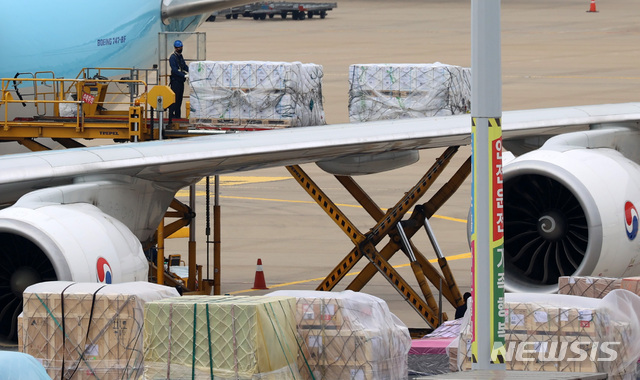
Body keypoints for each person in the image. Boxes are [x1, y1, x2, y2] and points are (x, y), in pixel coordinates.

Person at [169, 40, 189, 123]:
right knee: (175, 99)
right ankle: (171, 116)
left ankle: (178, 115)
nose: (179, 49)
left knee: (180, 99)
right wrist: (183, 75)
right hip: (175, 82)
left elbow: (183, 66)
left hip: (180, 82)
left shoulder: (180, 56)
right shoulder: (173, 57)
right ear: (175, 48)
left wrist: (191, 70)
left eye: (180, 47)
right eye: (178, 48)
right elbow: (174, 70)